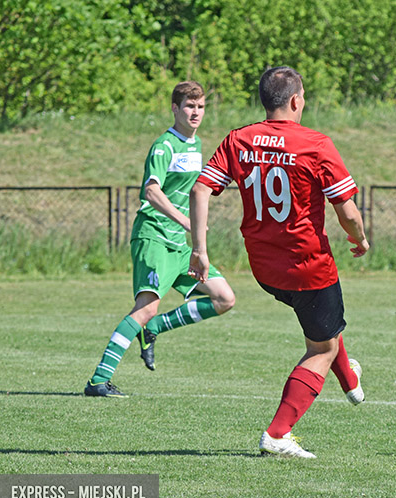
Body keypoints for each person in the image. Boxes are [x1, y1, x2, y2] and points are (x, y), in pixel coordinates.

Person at [189, 66, 369, 458]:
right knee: (320, 348)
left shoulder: (239, 139)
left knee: (325, 326)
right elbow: (348, 212)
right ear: (296, 100)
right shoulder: (316, 143)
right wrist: (360, 238)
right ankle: (277, 434)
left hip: (264, 267)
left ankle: (351, 382)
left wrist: (199, 250)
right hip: (307, 264)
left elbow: (201, 188)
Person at [84, 81, 235, 397]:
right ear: (175, 109)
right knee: (146, 307)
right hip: (153, 236)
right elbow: (151, 191)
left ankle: (155, 329)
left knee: (224, 298)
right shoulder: (164, 146)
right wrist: (185, 221)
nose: (196, 113)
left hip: (179, 243)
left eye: (201, 107)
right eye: (190, 107)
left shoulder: (196, 146)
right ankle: (98, 381)